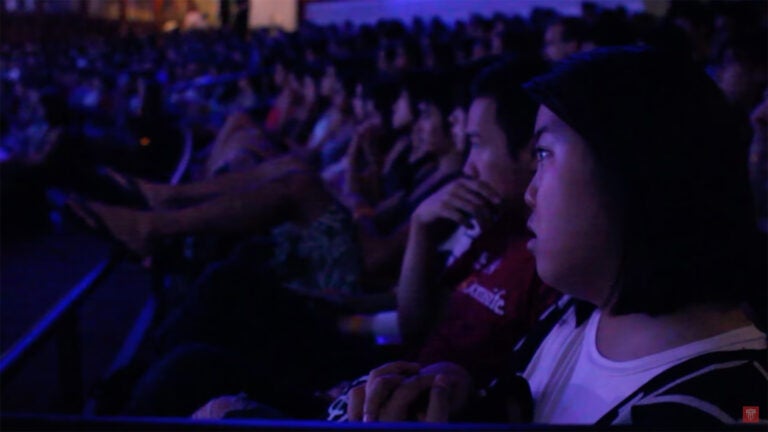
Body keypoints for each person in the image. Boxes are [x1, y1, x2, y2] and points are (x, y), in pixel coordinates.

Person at [342, 46, 767, 425]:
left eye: (544, 154)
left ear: (630, 176)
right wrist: (463, 396)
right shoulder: (579, 310)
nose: (530, 191)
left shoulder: (722, 405)